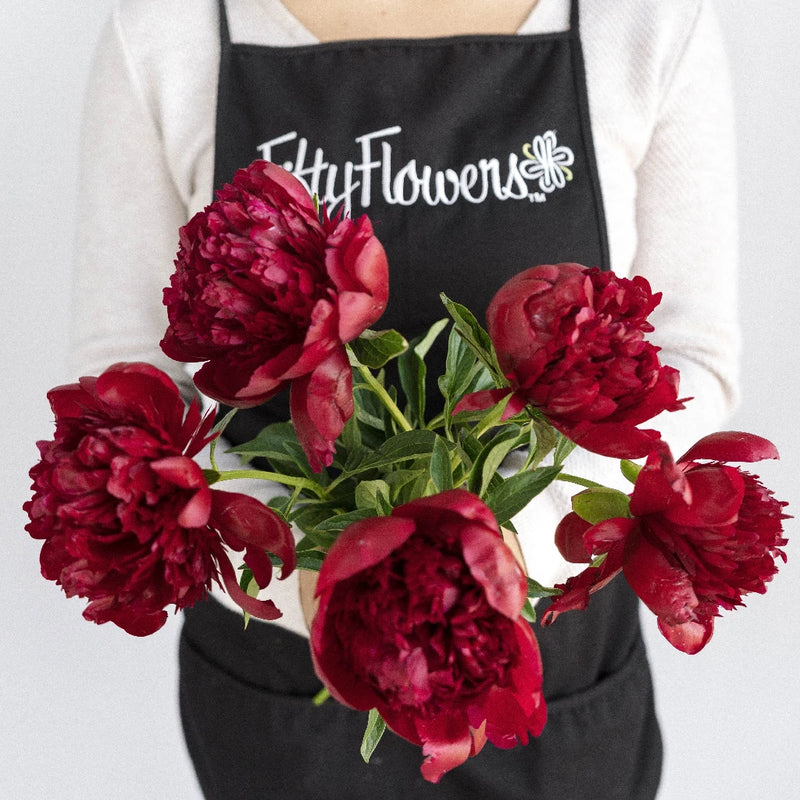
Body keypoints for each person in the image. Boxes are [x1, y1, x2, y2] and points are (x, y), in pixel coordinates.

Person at [71, 1, 739, 797]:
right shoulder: (164, 35)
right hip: (280, 692)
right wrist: (311, 573)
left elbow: (692, 359)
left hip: (555, 681)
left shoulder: (646, 22)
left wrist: (505, 547)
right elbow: (123, 390)